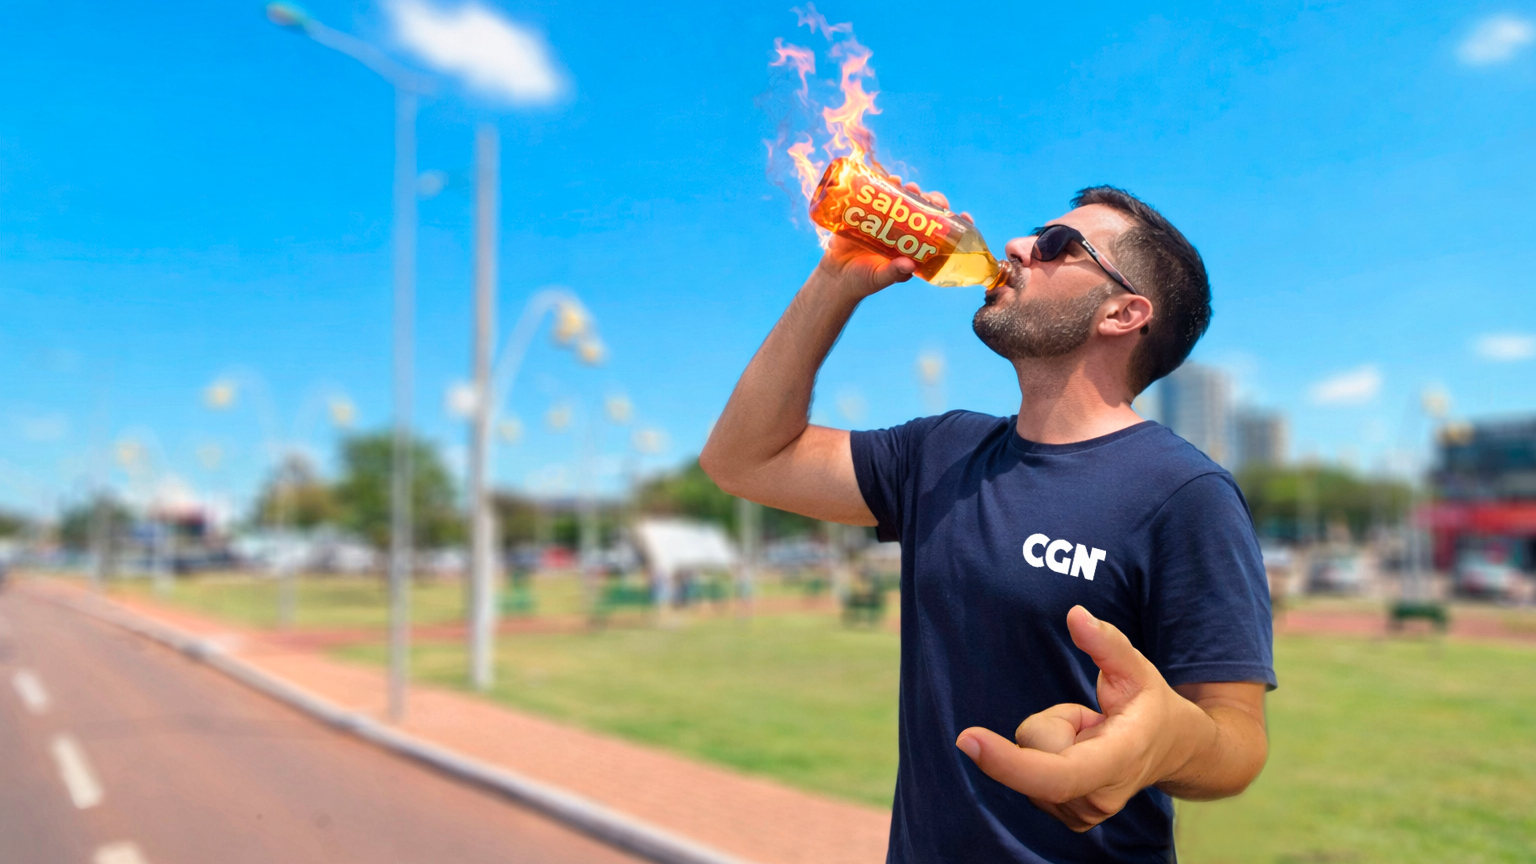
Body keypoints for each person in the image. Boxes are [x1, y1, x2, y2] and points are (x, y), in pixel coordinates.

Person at [700, 182, 1274, 862]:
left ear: (1122, 312)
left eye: (1058, 246)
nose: (1015, 246)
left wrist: (1164, 741)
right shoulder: (939, 453)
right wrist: (837, 279)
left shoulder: (1184, 491)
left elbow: (1237, 737)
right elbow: (743, 460)